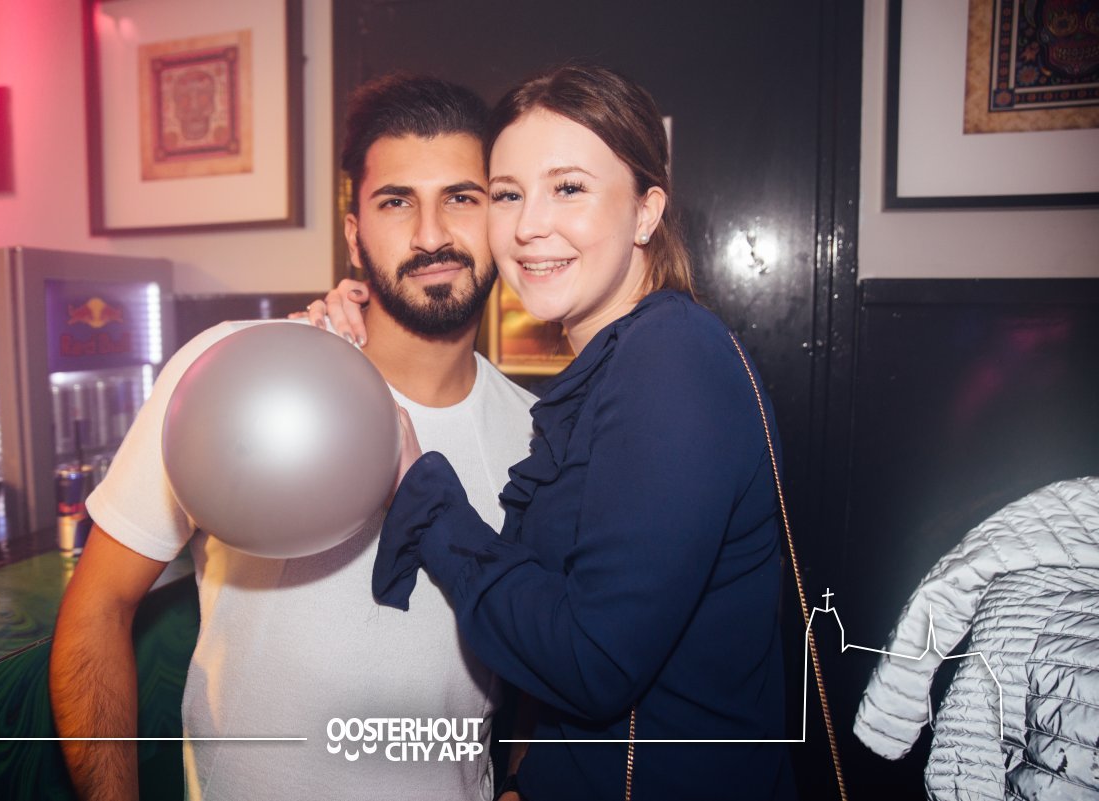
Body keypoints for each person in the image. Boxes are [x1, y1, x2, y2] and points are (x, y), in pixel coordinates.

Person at [48, 74, 536, 801]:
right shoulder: (233, 373)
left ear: (498, 218)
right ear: (354, 234)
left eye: (460, 198)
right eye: (396, 201)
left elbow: (546, 658)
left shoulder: (538, 436)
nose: (432, 235)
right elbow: (98, 606)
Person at [317, 64, 796, 800]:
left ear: (646, 212)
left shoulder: (671, 358)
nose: (528, 225)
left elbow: (594, 663)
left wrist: (423, 494)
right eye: (508, 194)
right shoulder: (619, 367)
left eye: (568, 187)